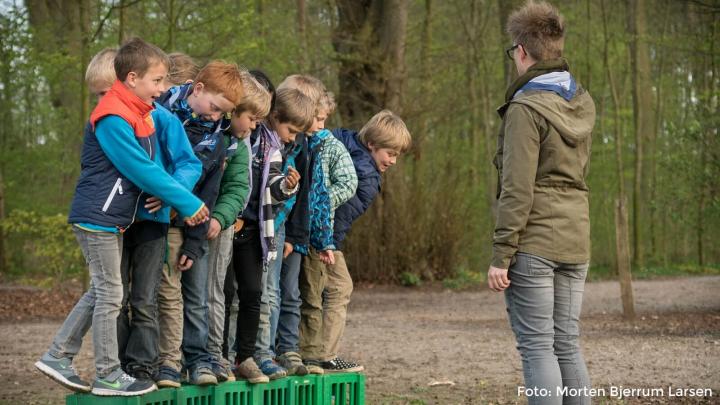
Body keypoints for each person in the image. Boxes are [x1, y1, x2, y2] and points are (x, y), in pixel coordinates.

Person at [34, 37, 209, 397]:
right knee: (112, 293)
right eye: (158, 81)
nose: (164, 90)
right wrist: (187, 202)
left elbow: (164, 162)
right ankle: (107, 373)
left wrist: (172, 193)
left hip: (112, 218)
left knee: (104, 291)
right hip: (97, 217)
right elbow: (141, 169)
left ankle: (59, 355)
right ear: (132, 78)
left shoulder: (138, 112)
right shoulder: (112, 116)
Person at [487, 2, 596, 404]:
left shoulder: (525, 108)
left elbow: (517, 188)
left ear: (520, 51)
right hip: (576, 239)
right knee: (566, 343)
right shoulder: (582, 101)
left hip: (534, 243)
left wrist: (502, 253)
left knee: (537, 346)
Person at [155, 60, 244, 387]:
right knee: (161, 296)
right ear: (198, 89)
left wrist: (194, 241)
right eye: (214, 107)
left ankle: (198, 360)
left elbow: (207, 195)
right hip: (152, 224)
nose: (216, 116)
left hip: (188, 229)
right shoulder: (158, 115)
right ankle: (164, 361)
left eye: (224, 113)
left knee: (196, 296)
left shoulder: (217, 140)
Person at [231, 87, 312, 383]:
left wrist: (287, 186)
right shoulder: (244, 137)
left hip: (258, 228)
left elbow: (272, 187)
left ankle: (249, 355)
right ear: (274, 117)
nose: (293, 137)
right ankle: (226, 355)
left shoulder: (275, 147)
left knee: (255, 293)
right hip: (230, 224)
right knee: (229, 294)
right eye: (290, 129)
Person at [321, 110, 411, 373]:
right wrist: (329, 245)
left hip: (310, 231)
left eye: (396, 155)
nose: (393, 161)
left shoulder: (341, 138)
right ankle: (324, 355)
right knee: (340, 287)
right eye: (390, 153)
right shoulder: (366, 177)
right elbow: (340, 217)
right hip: (322, 238)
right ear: (371, 144)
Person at [205, 70, 272, 381]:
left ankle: (244, 356)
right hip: (210, 224)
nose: (256, 125)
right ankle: (214, 354)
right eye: (252, 118)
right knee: (220, 291)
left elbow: (244, 186)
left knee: (253, 291)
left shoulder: (246, 143)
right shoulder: (213, 136)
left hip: (247, 226)